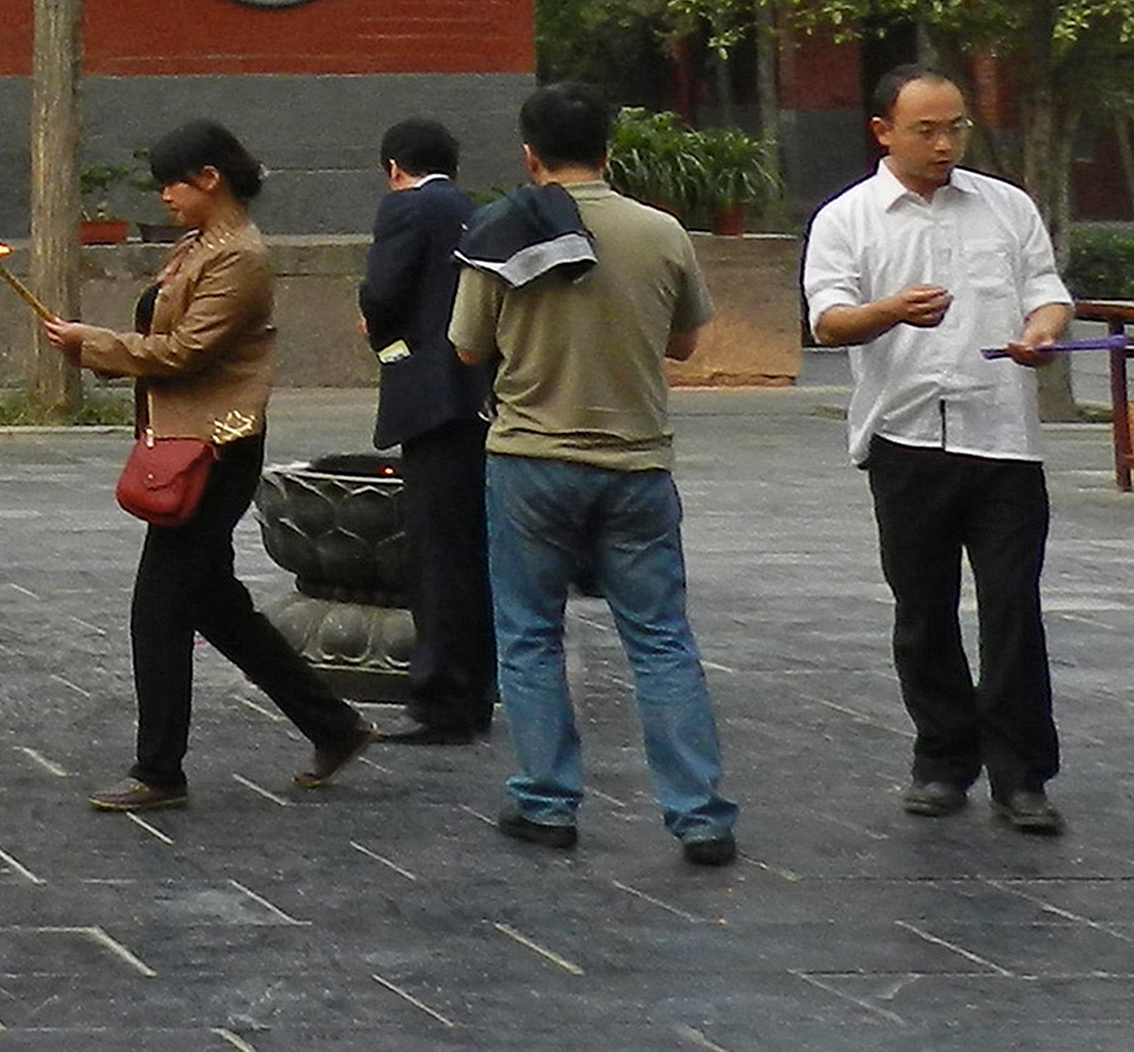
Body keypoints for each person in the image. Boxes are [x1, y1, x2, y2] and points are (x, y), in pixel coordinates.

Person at [40, 119, 372, 814]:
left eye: (173, 182)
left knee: (158, 608)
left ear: (210, 179)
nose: (165, 197)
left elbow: (187, 351)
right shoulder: (201, 246)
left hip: (216, 445)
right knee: (215, 604)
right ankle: (333, 724)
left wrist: (94, 344)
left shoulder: (239, 258)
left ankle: (160, 769)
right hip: (191, 436)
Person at [448, 82, 737, 865]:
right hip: (637, 462)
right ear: (611, 149)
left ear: (529, 155)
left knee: (531, 635)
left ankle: (546, 802)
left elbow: (469, 349)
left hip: (531, 459)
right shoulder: (663, 231)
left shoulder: (497, 231)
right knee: (661, 639)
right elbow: (684, 346)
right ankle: (700, 813)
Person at [801, 64, 1074, 835]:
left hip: (1004, 438)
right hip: (906, 436)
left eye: (955, 126)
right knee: (923, 609)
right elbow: (828, 322)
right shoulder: (848, 218)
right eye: (927, 129)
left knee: (1012, 607)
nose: (945, 142)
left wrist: (1041, 333)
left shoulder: (1006, 206)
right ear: (883, 131)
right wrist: (888, 311)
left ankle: (1022, 776)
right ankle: (943, 758)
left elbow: (1046, 292)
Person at [362, 117, 495, 745]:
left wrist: (386, 348)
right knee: (473, 550)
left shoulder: (406, 209)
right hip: (479, 397)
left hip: (431, 397)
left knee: (436, 553)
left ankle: (440, 697)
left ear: (394, 167)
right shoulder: (476, 210)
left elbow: (381, 294)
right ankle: (477, 688)